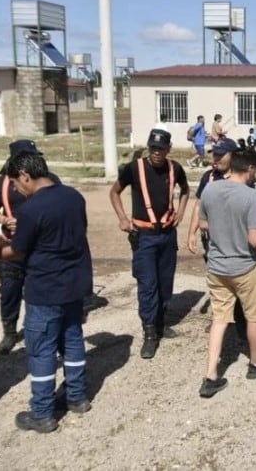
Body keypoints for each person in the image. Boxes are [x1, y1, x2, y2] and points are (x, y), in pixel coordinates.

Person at [0, 152, 93, 433]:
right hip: (74, 284)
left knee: (41, 350)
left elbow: (18, 250)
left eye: (15, 183)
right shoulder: (74, 196)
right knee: (72, 340)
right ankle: (77, 397)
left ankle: (42, 413)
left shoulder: (31, 209)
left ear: (25, 176)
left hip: (45, 289)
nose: (15, 189)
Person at [197, 148, 256, 398]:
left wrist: (223, 227)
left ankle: (211, 374)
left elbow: (203, 223)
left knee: (220, 319)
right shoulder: (251, 196)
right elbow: (255, 238)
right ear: (251, 169)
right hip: (244, 266)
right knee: (254, 316)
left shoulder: (210, 188)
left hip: (217, 266)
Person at [109, 129, 190, 359]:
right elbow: (114, 192)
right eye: (153, 148)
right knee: (147, 286)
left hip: (167, 235)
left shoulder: (175, 168)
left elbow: (185, 190)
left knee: (165, 283)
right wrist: (123, 219)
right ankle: (149, 334)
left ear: (168, 149)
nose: (156, 153)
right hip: (143, 237)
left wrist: (181, 214)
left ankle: (161, 323)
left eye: (161, 148)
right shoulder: (134, 168)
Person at [0, 140, 60, 355]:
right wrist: (4, 220)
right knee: (10, 290)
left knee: (43, 290)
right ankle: (10, 332)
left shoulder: (50, 180)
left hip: (41, 247)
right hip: (12, 245)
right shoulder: (1, 183)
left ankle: (46, 329)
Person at [186, 138, 249, 336]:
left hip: (237, 242)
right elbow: (199, 205)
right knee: (217, 281)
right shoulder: (209, 177)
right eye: (214, 154)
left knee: (240, 281)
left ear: (233, 156)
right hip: (213, 242)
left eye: (221, 154)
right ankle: (220, 319)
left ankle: (243, 324)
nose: (216, 158)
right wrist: (192, 232)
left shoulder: (244, 178)